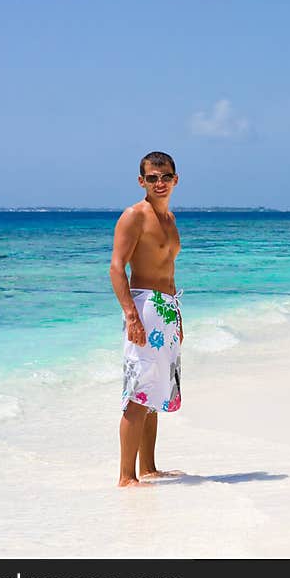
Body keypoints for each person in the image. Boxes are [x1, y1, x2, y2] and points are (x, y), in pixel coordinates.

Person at [109, 151, 185, 487]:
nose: (159, 182)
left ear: (175, 179)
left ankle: (149, 468)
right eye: (151, 177)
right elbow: (116, 267)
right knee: (138, 392)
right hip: (144, 307)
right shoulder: (134, 216)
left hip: (167, 308)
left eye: (164, 176)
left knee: (155, 393)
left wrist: (178, 319)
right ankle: (127, 477)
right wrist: (131, 315)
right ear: (141, 181)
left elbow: (169, 271)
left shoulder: (170, 220)